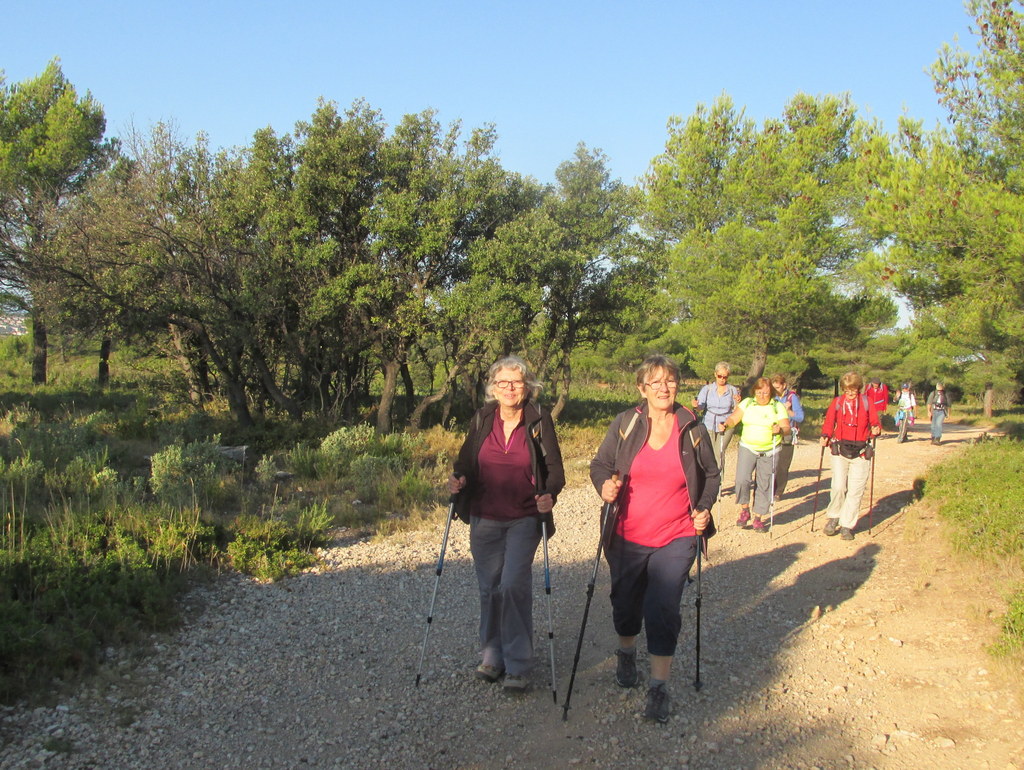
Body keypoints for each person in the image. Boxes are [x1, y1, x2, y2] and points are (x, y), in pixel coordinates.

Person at [590, 354, 719, 723]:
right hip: (626, 534)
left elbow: (711, 474)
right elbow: (600, 465)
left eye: (671, 381)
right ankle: (627, 651)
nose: (664, 388)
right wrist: (605, 487)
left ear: (678, 386)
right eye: (656, 382)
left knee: (663, 608)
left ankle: (659, 687)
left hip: (677, 535)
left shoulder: (692, 426)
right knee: (625, 604)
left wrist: (705, 506)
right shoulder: (626, 423)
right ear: (642, 388)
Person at [449, 356, 565, 692]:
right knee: (489, 588)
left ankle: (518, 663)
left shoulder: (539, 419)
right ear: (493, 387)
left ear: (527, 386)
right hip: (484, 516)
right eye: (503, 382)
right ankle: (492, 654)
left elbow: (555, 471)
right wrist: (458, 479)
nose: (510, 388)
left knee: (513, 584)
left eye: (516, 382)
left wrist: (550, 494)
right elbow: (465, 460)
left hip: (524, 516)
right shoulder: (483, 417)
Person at [720, 378, 790, 532]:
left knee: (764, 483)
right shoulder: (747, 403)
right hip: (748, 447)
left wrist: (780, 430)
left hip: (770, 449)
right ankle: (744, 510)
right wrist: (726, 424)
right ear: (754, 391)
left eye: (765, 392)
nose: (762, 395)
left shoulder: (777, 406)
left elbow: (787, 427)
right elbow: (734, 418)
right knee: (742, 480)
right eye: (759, 392)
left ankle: (758, 517)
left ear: (770, 392)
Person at [819, 372, 882, 541]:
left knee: (856, 490)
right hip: (840, 448)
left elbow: (875, 422)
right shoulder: (838, 402)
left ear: (859, 388)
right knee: (839, 486)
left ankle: (847, 525)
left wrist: (876, 428)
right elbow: (829, 421)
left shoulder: (867, 402)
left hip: (861, 451)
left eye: (853, 389)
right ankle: (833, 517)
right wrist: (825, 435)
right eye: (847, 390)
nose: (850, 393)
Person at [692, 362, 742, 476]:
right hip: (709, 423)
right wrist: (696, 405)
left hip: (726, 425)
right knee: (708, 453)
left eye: (725, 377)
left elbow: (737, 410)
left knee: (719, 452)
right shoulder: (707, 389)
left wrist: (738, 402)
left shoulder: (733, 390)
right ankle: (708, 479)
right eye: (720, 376)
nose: (722, 379)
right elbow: (700, 407)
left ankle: (719, 481)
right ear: (715, 374)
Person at [770, 374, 804, 498]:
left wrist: (788, 411)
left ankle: (778, 491)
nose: (775, 390)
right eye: (773, 387)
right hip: (772, 433)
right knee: (770, 463)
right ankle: (769, 489)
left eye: (777, 387)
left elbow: (800, 417)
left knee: (783, 465)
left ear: (784, 386)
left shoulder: (792, 398)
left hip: (787, 434)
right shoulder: (771, 397)